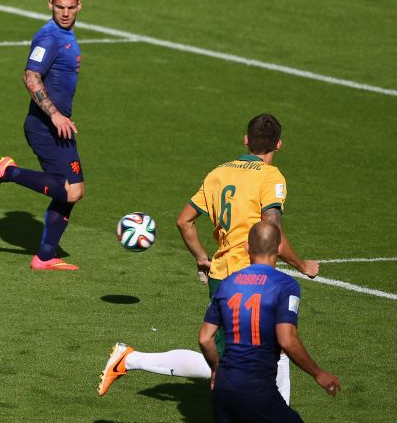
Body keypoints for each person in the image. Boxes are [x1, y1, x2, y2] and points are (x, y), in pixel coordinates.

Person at [97, 114, 318, 400]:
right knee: (255, 354)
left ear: (246, 140)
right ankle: (131, 359)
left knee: (249, 353)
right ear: (279, 144)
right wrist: (302, 265)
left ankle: (129, 359)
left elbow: (184, 221)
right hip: (252, 278)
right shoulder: (270, 176)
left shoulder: (218, 173)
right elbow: (272, 230)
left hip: (221, 276)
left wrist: (202, 257)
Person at [0, 0, 84, 270]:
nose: (64, 12)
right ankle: (7, 171)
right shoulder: (49, 37)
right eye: (59, 6)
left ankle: (45, 256)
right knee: (70, 191)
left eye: (70, 7)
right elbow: (30, 76)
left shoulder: (66, 35)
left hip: (59, 126)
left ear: (79, 6)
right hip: (45, 126)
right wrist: (55, 115)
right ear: (50, 5)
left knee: (74, 191)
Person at [198, 222, 340, 422]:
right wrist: (318, 374)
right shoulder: (285, 285)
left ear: (247, 248)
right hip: (257, 388)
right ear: (280, 248)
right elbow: (287, 340)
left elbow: (205, 338)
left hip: (224, 387)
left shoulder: (228, 283)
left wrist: (216, 369)